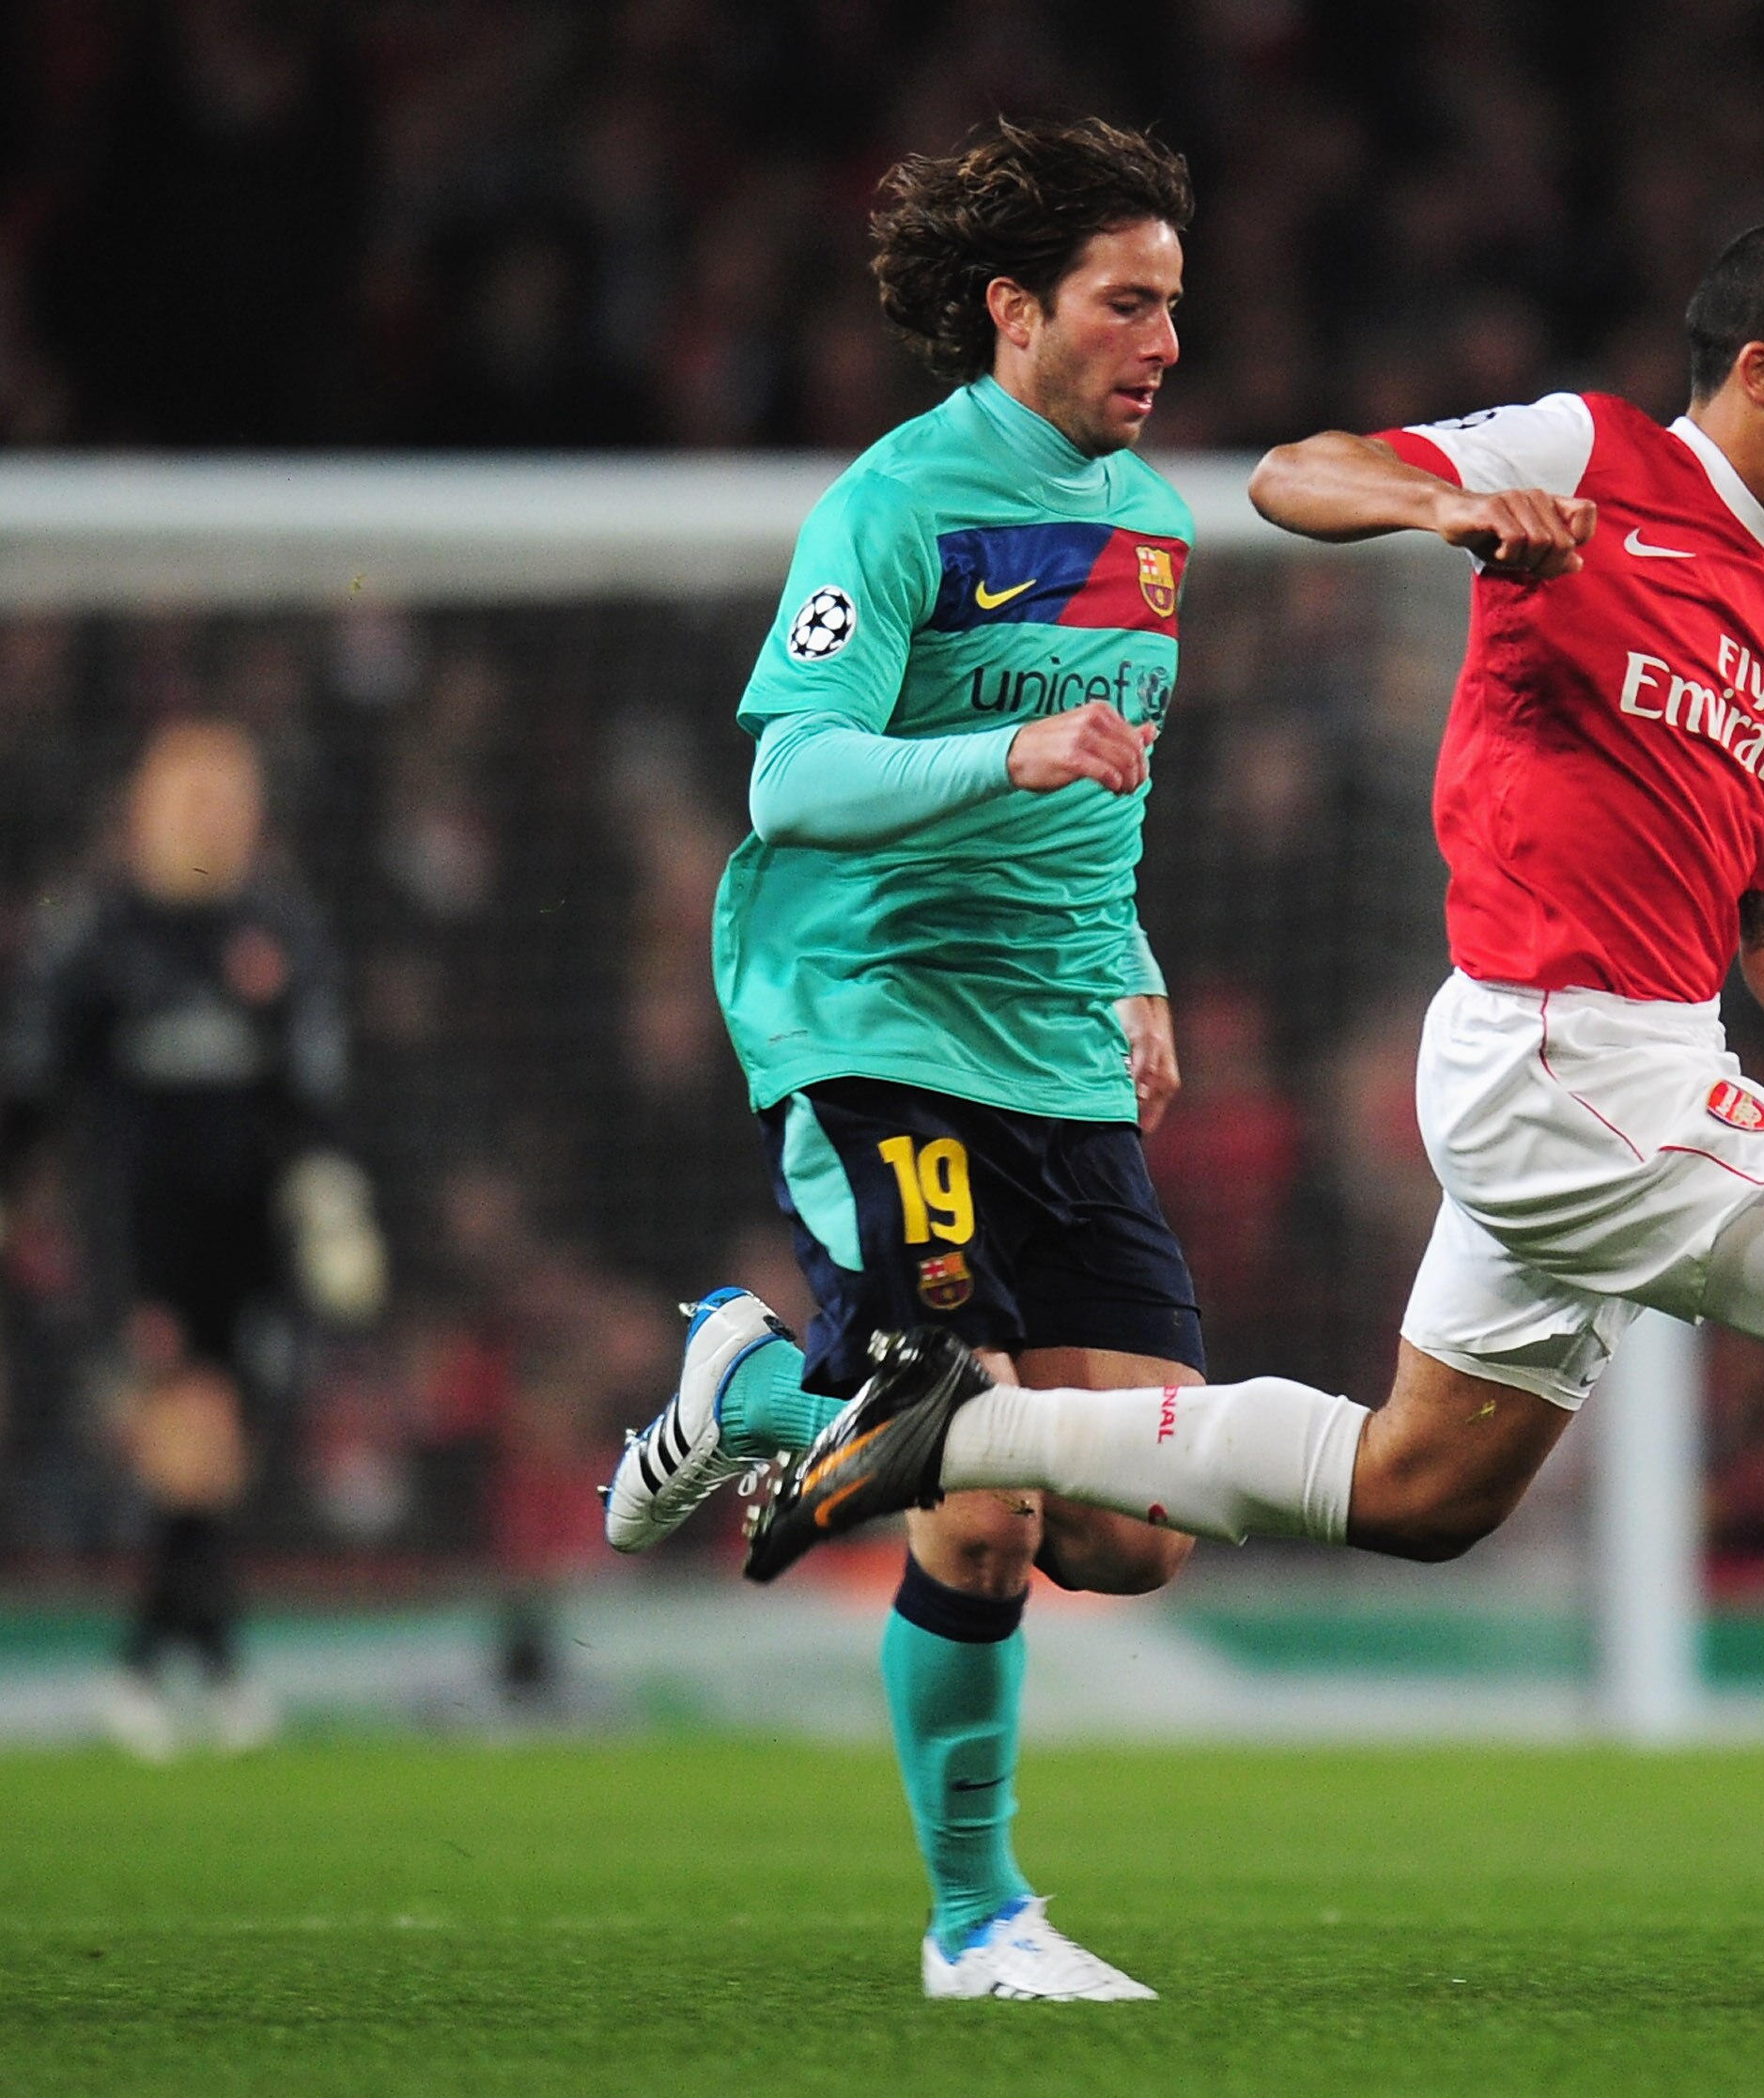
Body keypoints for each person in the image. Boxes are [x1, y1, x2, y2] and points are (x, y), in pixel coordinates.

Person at [745, 224, 1764, 1960]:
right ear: (1759, 369)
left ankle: (949, 1425)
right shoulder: (1590, 455)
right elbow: (1292, 474)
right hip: (1559, 1041)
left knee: (1422, 1494)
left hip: (1646, 1056)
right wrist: (1448, 511)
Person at [599, 115, 1201, 2003]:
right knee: (974, 1467)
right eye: (1127, 302)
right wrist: (998, 754)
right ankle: (976, 1921)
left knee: (1127, 1526)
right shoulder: (894, 505)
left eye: (1176, 304)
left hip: (1057, 1049)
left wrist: (1138, 966)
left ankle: (757, 1382)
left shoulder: (1157, 529)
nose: (1163, 339)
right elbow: (793, 773)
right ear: (1014, 310)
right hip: (873, 1024)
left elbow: (1103, 806)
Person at [1, 718, 384, 1759]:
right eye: (191, 797)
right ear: (143, 810)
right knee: (189, 1436)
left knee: (218, 1454)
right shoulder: (92, 935)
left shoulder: (279, 933)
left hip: (253, 1239)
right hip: (133, 1232)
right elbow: (32, 1090)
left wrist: (329, 1198)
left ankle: (178, 1663)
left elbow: (311, 1097)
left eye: (230, 797)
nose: (213, 817)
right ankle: (174, 1667)